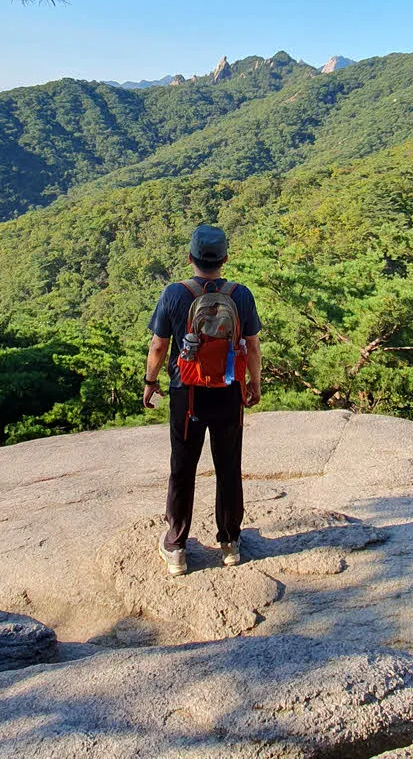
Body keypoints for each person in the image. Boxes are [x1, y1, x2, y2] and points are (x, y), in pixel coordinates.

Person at [143, 224, 261, 575]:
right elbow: (252, 345)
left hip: (187, 394)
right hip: (228, 391)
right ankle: (230, 543)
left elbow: (159, 345)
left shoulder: (174, 294)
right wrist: (254, 383)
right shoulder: (241, 295)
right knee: (228, 467)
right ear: (225, 258)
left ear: (190, 257)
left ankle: (177, 547)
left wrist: (150, 381)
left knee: (182, 468)